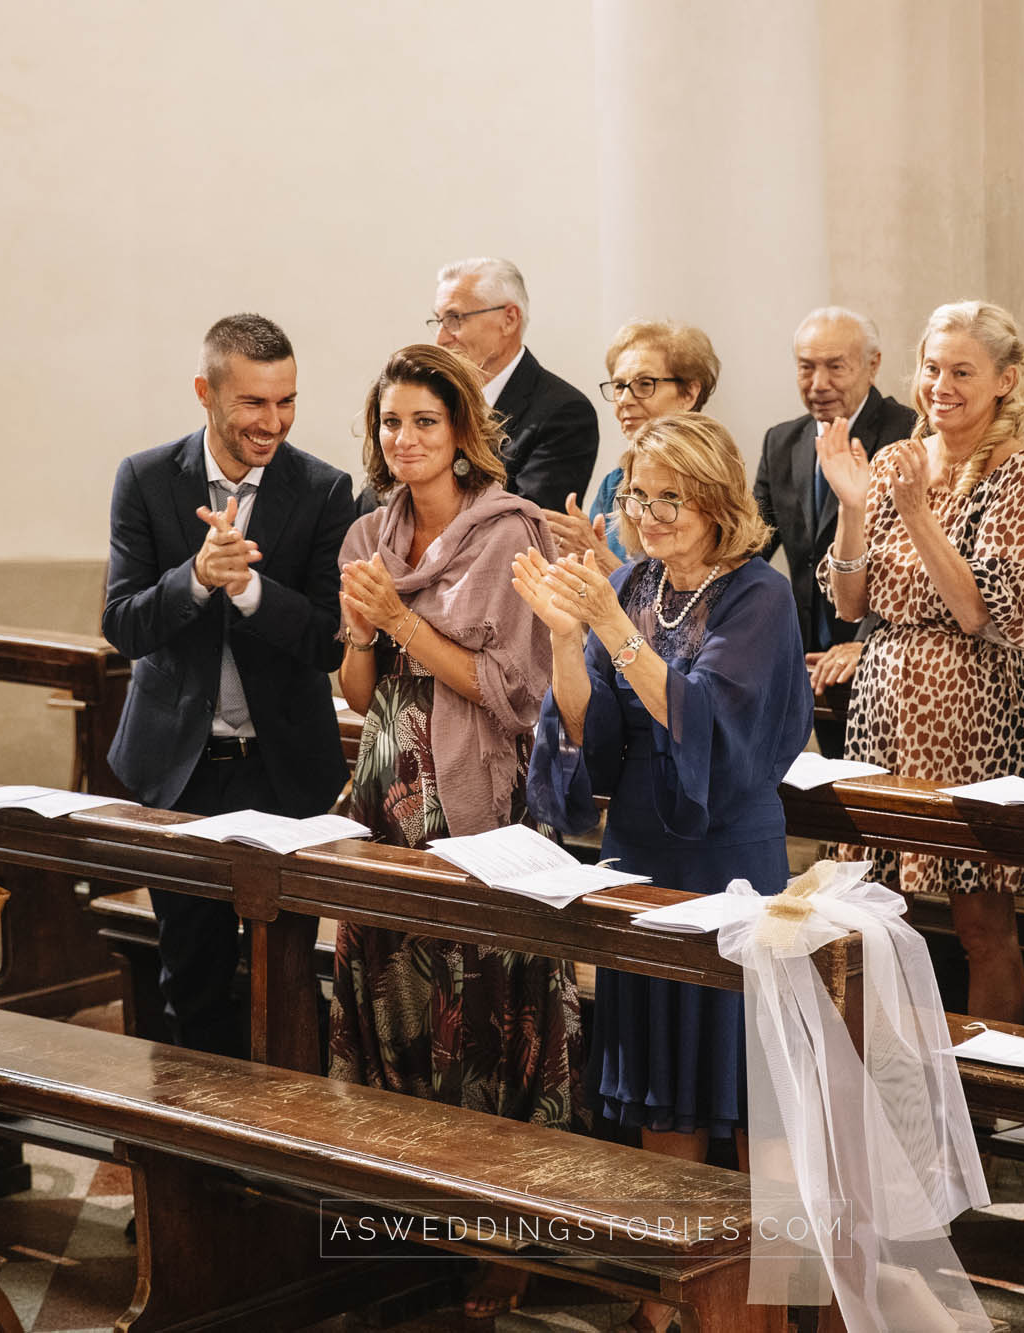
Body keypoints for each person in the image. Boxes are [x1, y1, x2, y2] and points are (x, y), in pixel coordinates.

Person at [332, 343, 576, 1321]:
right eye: (391, 422)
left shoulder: (510, 533)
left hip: (474, 796)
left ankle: (501, 1238)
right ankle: (409, 1217)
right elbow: (357, 693)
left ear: (462, 429)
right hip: (384, 790)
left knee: (473, 1011)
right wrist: (361, 632)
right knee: (387, 996)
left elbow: (513, 695)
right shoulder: (367, 531)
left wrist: (397, 617)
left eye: (424, 422)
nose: (405, 440)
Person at [521, 412, 810, 1163]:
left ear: (717, 501)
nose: (648, 518)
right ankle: (675, 1273)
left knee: (744, 1081)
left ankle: (764, 1273)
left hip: (726, 853)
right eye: (637, 498)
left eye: (668, 499)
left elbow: (710, 723)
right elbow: (592, 733)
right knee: (658, 1077)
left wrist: (614, 628)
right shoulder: (630, 584)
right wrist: (562, 640)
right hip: (640, 849)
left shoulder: (759, 595)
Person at [102, 314, 354, 1056]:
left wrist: (248, 590)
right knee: (194, 977)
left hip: (283, 770)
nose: (271, 423)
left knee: (286, 977)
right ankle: (204, 1152)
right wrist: (196, 580)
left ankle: (284, 1145)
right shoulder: (148, 479)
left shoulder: (323, 489)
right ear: (205, 393)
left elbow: (327, 639)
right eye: (252, 404)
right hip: (180, 771)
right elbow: (122, 624)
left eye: (287, 402)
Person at [816, 301, 1024, 1023]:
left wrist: (919, 514)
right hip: (886, 705)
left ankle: (987, 1098)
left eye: (962, 371)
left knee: (982, 922)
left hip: (977, 712)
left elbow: (982, 612)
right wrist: (855, 507)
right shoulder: (894, 459)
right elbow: (852, 604)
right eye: (931, 367)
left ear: (1006, 381)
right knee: (869, 909)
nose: (940, 384)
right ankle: (883, 1078)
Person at [756, 307, 918, 758]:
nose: (818, 383)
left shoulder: (909, 434)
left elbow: (911, 561)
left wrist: (861, 645)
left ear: (873, 365)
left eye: (835, 367)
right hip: (811, 662)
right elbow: (751, 546)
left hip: (886, 661)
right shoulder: (782, 441)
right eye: (806, 367)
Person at [543, 318, 723, 576]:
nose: (625, 400)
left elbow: (687, 603)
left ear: (689, 393)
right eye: (619, 386)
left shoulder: (711, 479)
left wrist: (605, 564)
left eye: (644, 384)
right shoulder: (613, 485)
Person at [429, 257, 597, 511]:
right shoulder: (433, 400)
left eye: (454, 319)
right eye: (439, 321)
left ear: (509, 319)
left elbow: (528, 523)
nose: (440, 338)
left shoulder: (564, 413)